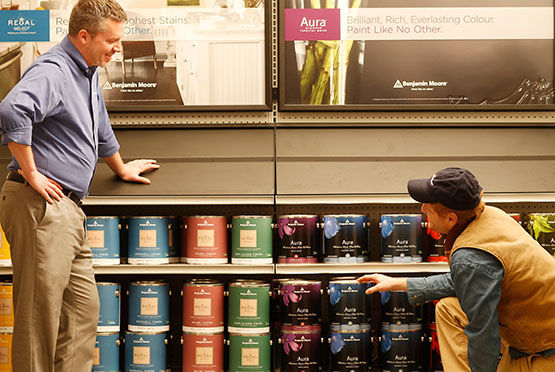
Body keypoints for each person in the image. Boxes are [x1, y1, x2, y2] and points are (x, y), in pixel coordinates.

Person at [0, 1, 160, 371]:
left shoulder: (87, 72)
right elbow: (11, 110)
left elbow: (99, 126)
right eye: (111, 40)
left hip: (67, 211)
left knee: (83, 312)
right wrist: (32, 172)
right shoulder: (54, 70)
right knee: (39, 321)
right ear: (84, 36)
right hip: (39, 205)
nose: (117, 47)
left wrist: (120, 167)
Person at [358, 167, 555, 372]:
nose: (422, 209)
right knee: (448, 309)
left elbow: (483, 334)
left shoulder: (470, 256)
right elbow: (468, 280)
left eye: (429, 207)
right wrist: (401, 283)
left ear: (451, 219)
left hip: (543, 351)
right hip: (539, 324)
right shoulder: (490, 215)